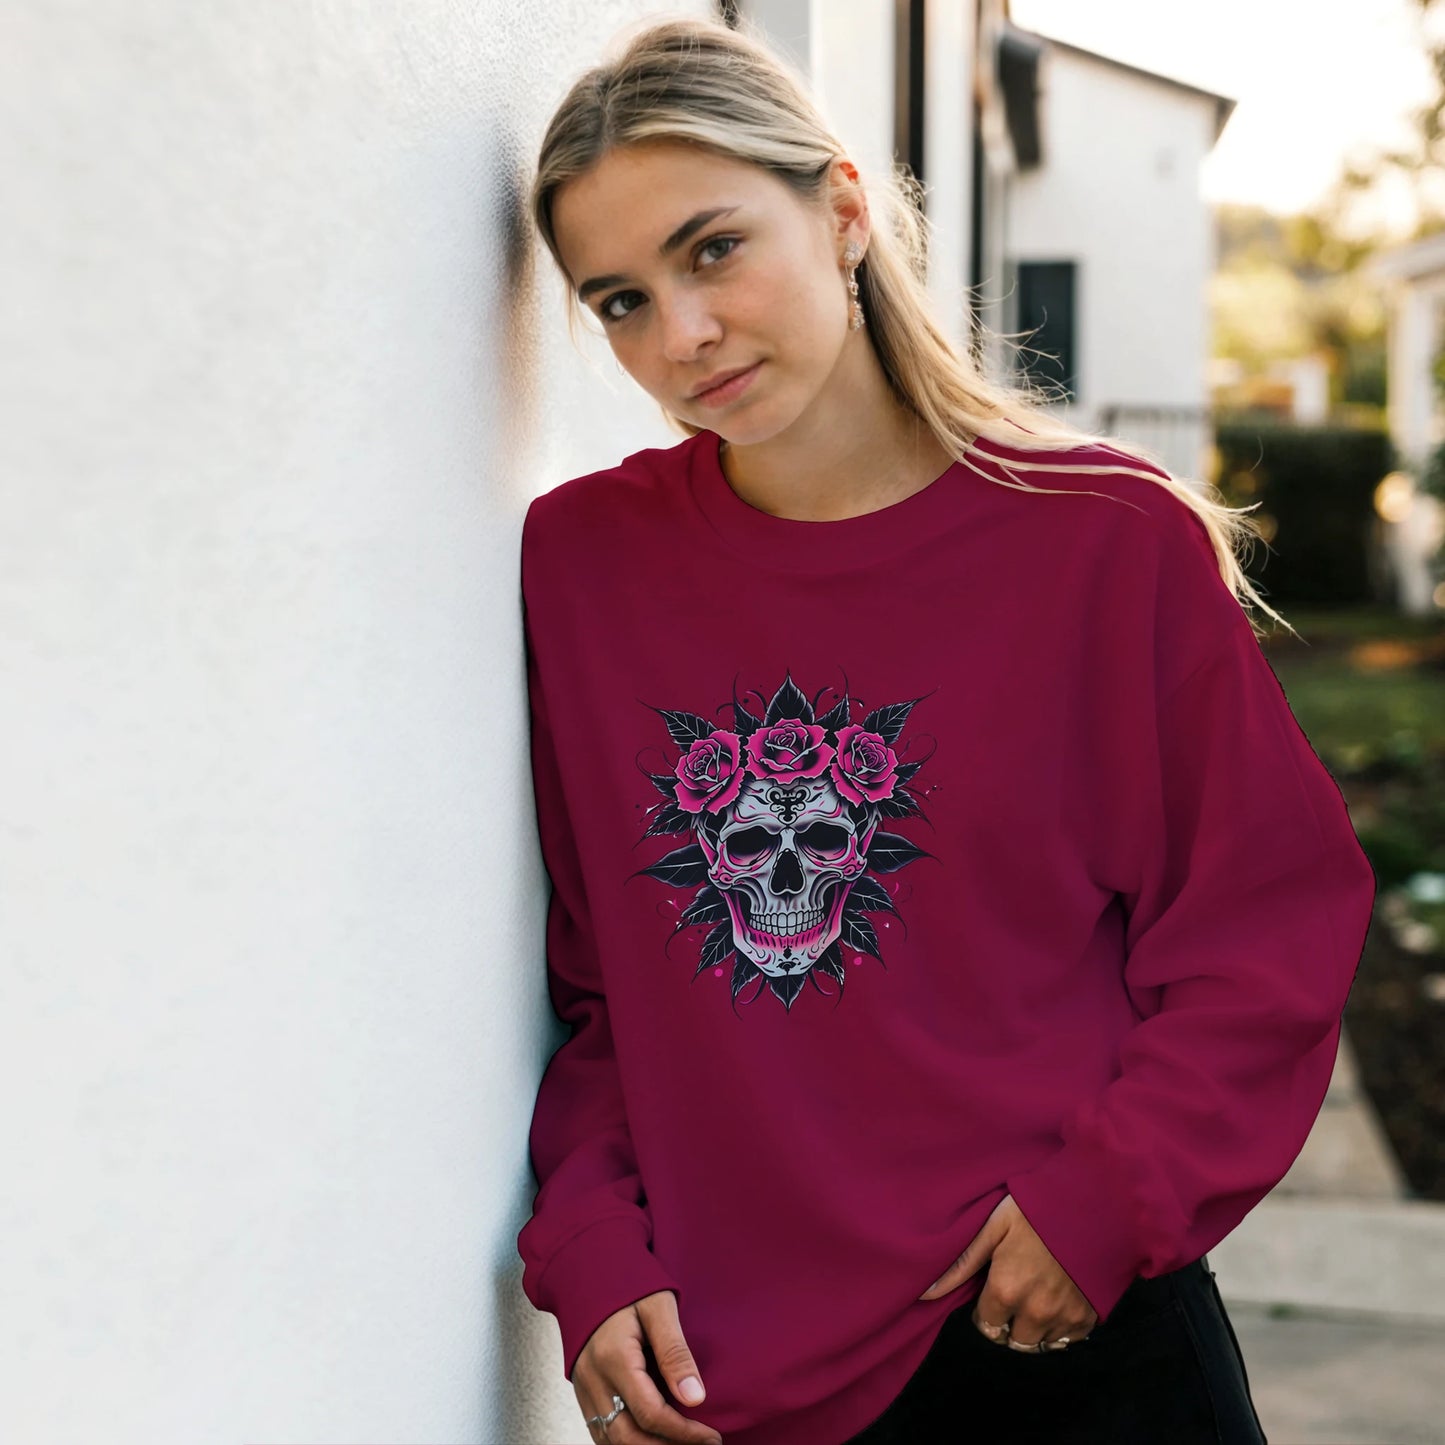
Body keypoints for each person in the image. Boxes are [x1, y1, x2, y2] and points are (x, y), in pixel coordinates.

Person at [514, 15, 1376, 1445]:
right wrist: (594, 1251)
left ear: (843, 210)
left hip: (1058, 1330)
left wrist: (1108, 1198)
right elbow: (603, 981)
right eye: (617, 300)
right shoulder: (584, 569)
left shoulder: (1102, 539)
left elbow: (1262, 932)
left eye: (713, 248)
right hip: (741, 1380)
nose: (681, 335)